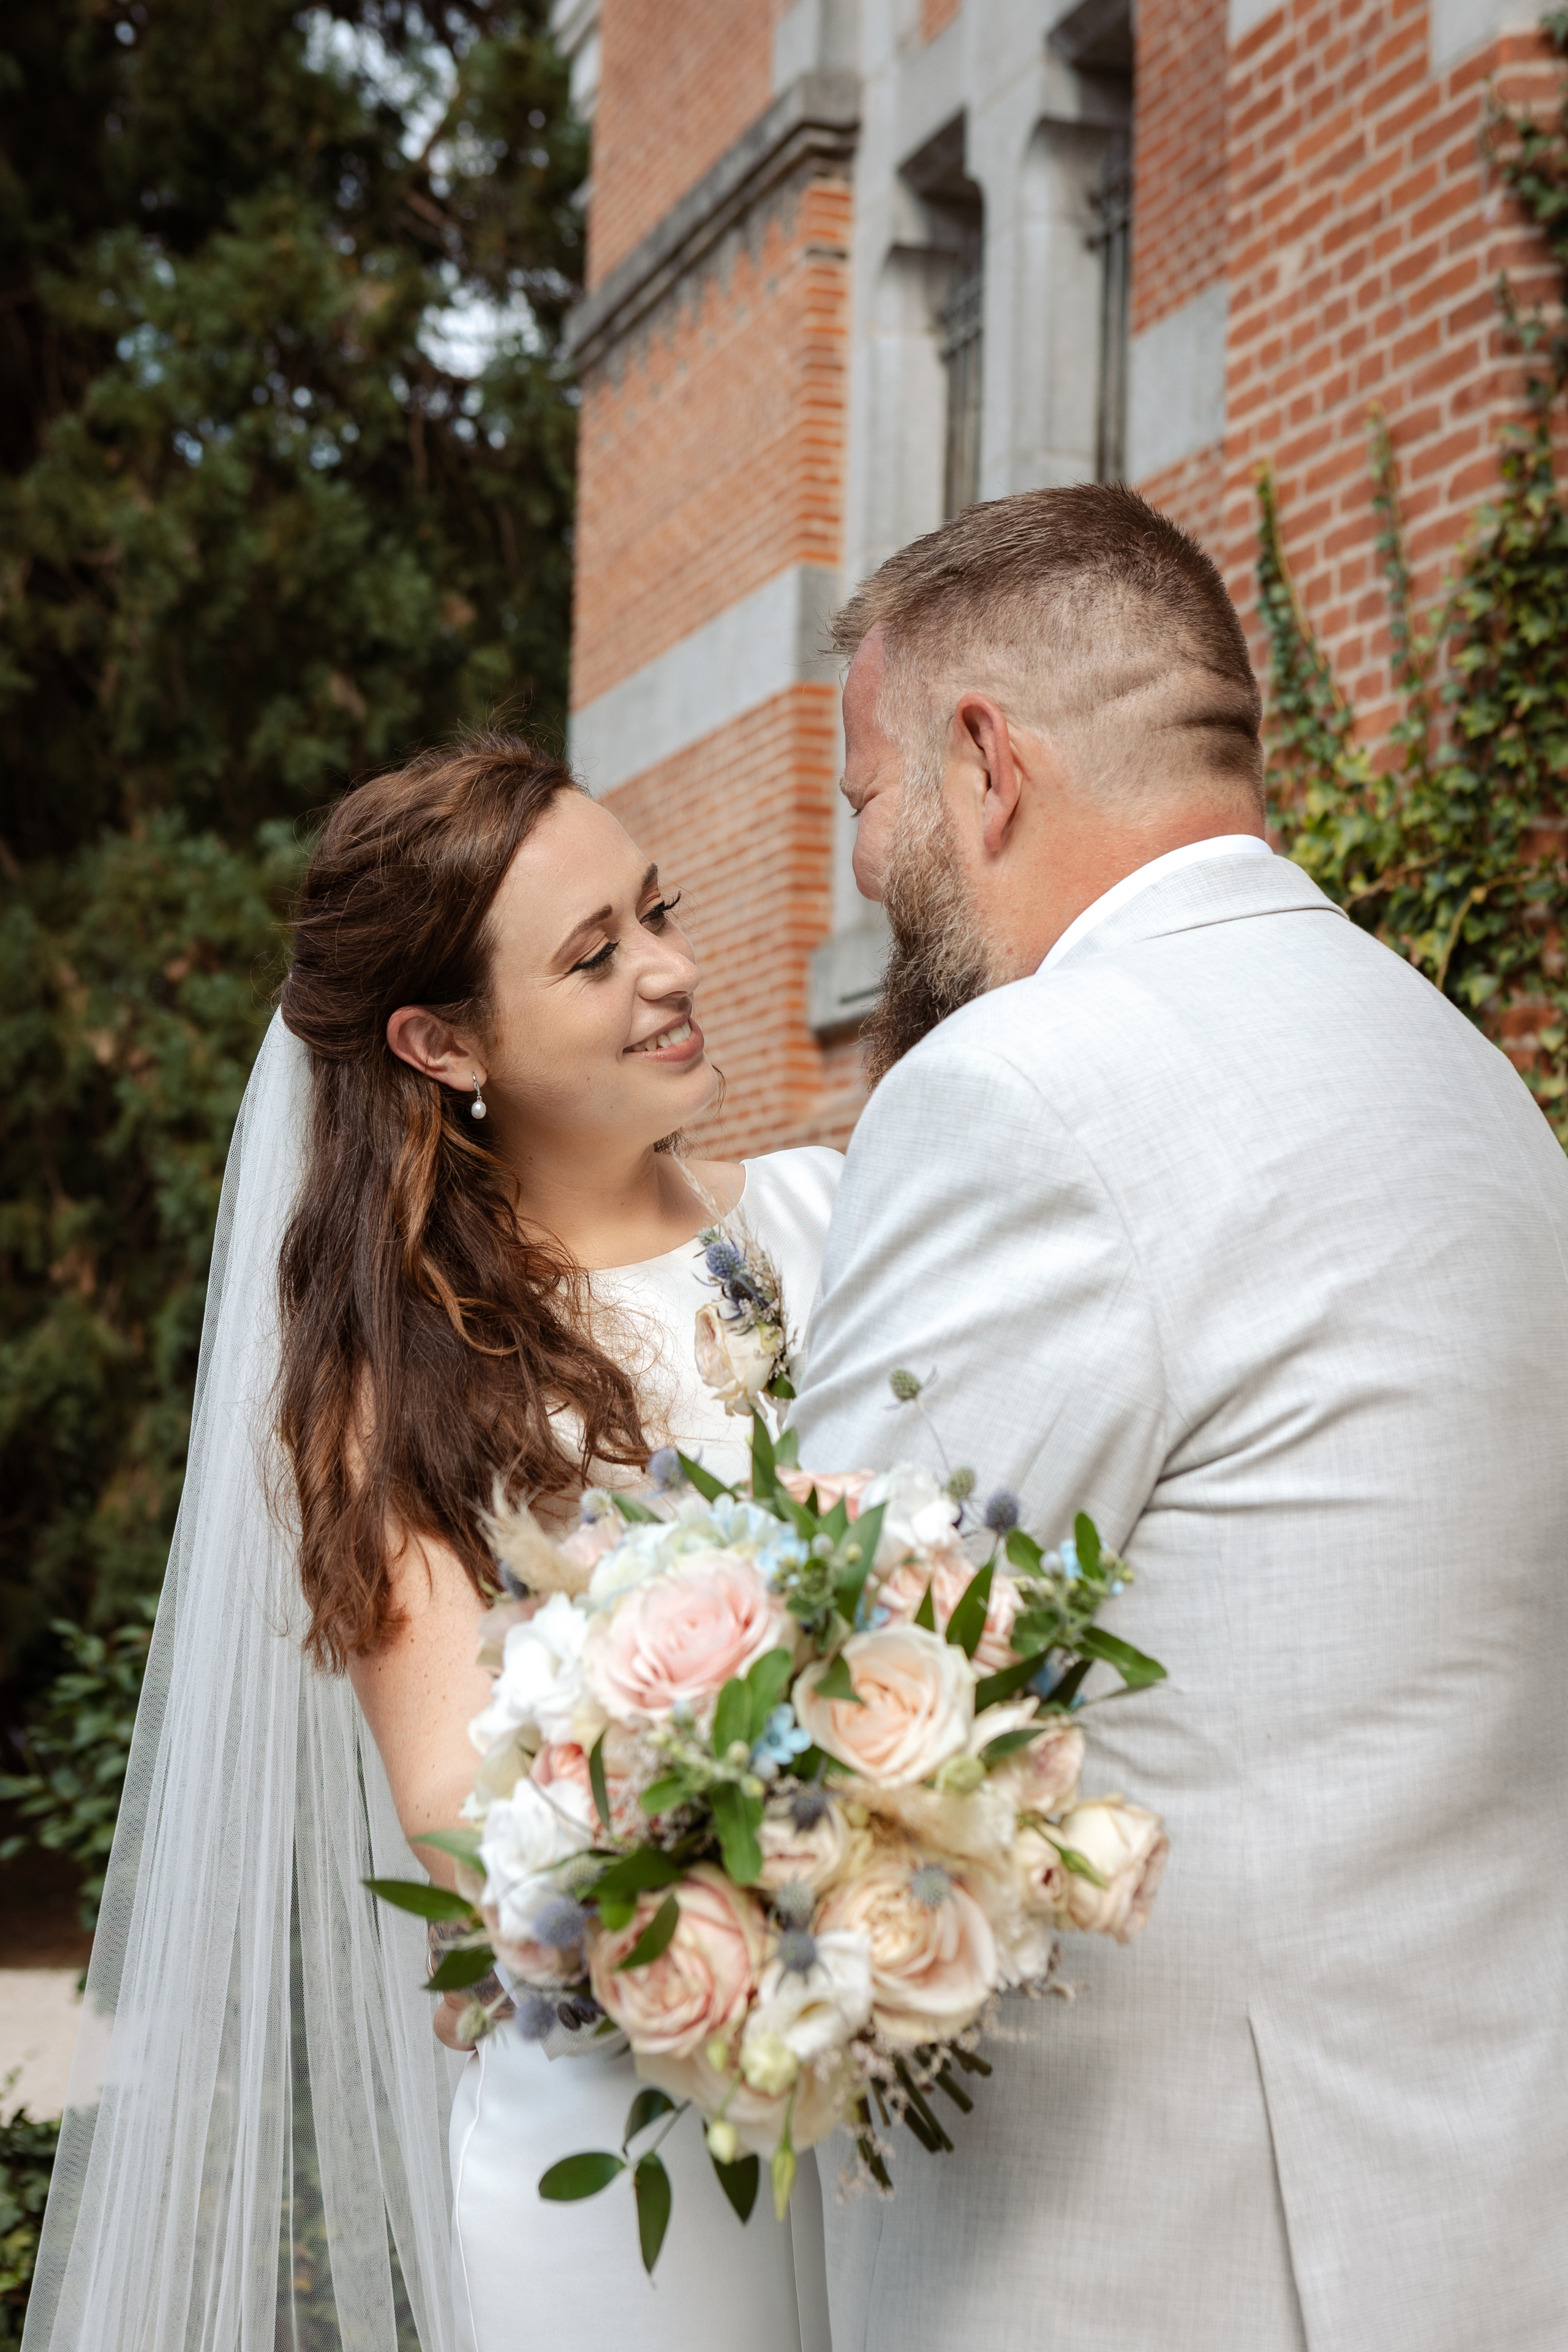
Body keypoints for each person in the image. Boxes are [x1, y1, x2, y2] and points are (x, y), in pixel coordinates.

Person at [790, 485, 1568, 2352]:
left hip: (1158, 2255)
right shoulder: (1469, 1079)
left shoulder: (1022, 1088)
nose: (868, 863)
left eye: (867, 796)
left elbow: (826, 1674)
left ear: (986, 765)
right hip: (1475, 2219)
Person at [22, 736, 838, 2352]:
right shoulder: (404, 1378)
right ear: (442, 1040)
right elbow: (461, 1808)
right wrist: (801, 1838)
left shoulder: (835, 1214)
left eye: (659, 912)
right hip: (630, 2129)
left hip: (891, 2059)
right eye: (594, 956)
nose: (671, 971)